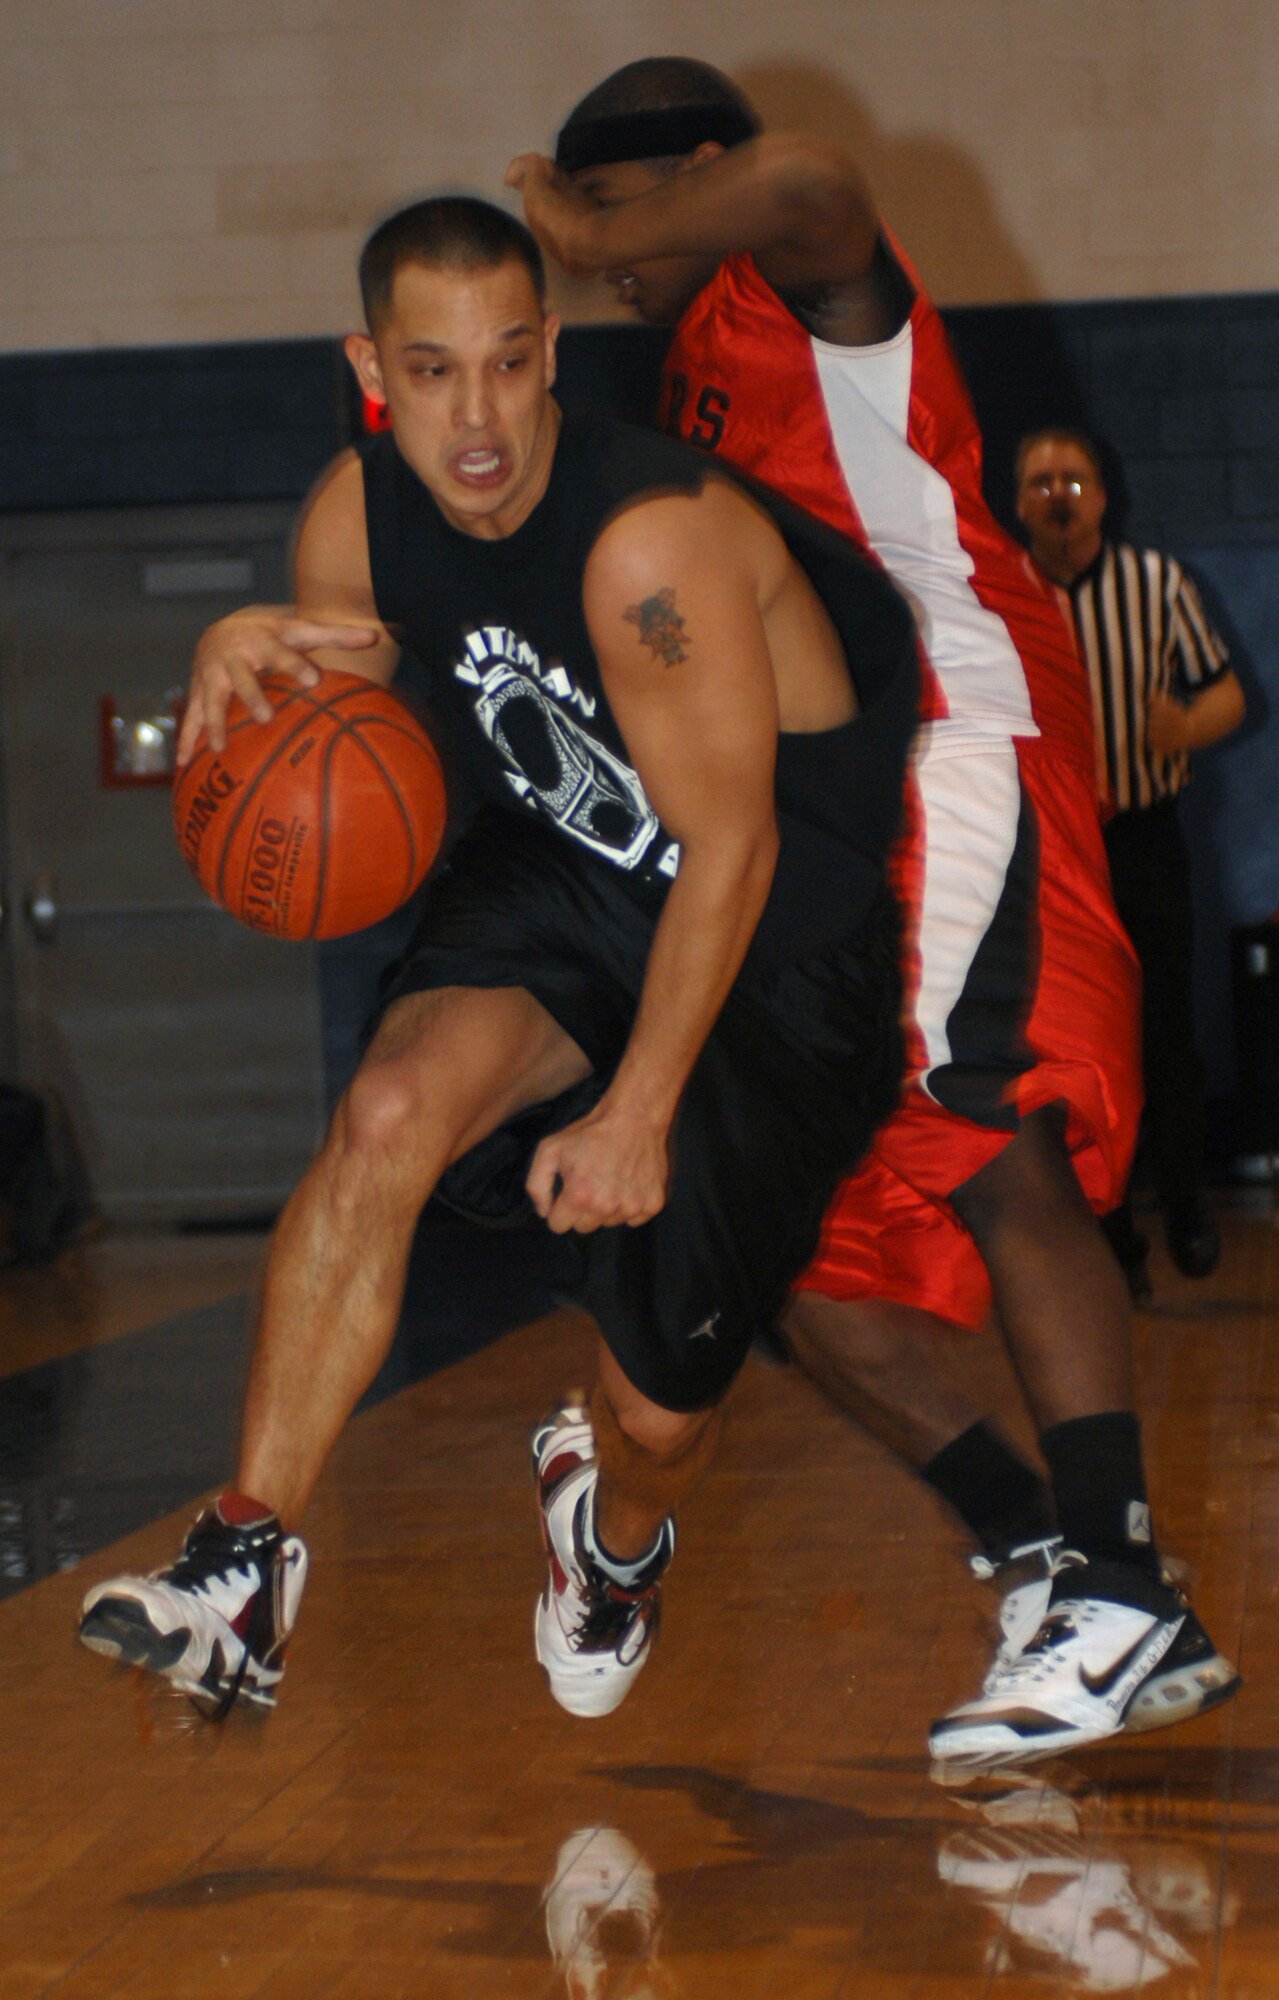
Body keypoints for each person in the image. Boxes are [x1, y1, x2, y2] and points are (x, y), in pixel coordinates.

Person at [77, 195, 919, 1723]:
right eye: (432, 370)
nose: (476, 417)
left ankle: (604, 1541)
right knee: (388, 1111)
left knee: (661, 1420)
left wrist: (638, 1108)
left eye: (510, 365)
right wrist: (237, 647)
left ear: (548, 358)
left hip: (773, 946)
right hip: (565, 878)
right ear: (370, 367)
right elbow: (347, 701)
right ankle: (243, 1562)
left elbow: (730, 854)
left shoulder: (642, 548)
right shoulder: (355, 514)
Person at [508, 57, 1239, 1767]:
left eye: (623, 216)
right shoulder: (677, 396)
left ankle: (1118, 1588)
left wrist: (562, 205)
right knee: (782, 1244)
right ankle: (1044, 1555)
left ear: (693, 177)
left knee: (989, 1134)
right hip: (831, 825)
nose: (602, 256)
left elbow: (814, 179)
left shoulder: (802, 296)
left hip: (950, 750)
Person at [1016, 427, 1245, 1299]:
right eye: (1039, 482)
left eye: (1071, 479)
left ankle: (1184, 1199)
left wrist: (1187, 726)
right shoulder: (1001, 593)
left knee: (1164, 1028)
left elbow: (1224, 687)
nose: (1057, 494)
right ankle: (1109, 1236)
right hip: (1052, 854)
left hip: (1144, 836)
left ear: (1101, 496)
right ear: (1018, 502)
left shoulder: (1156, 583)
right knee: (1075, 1047)